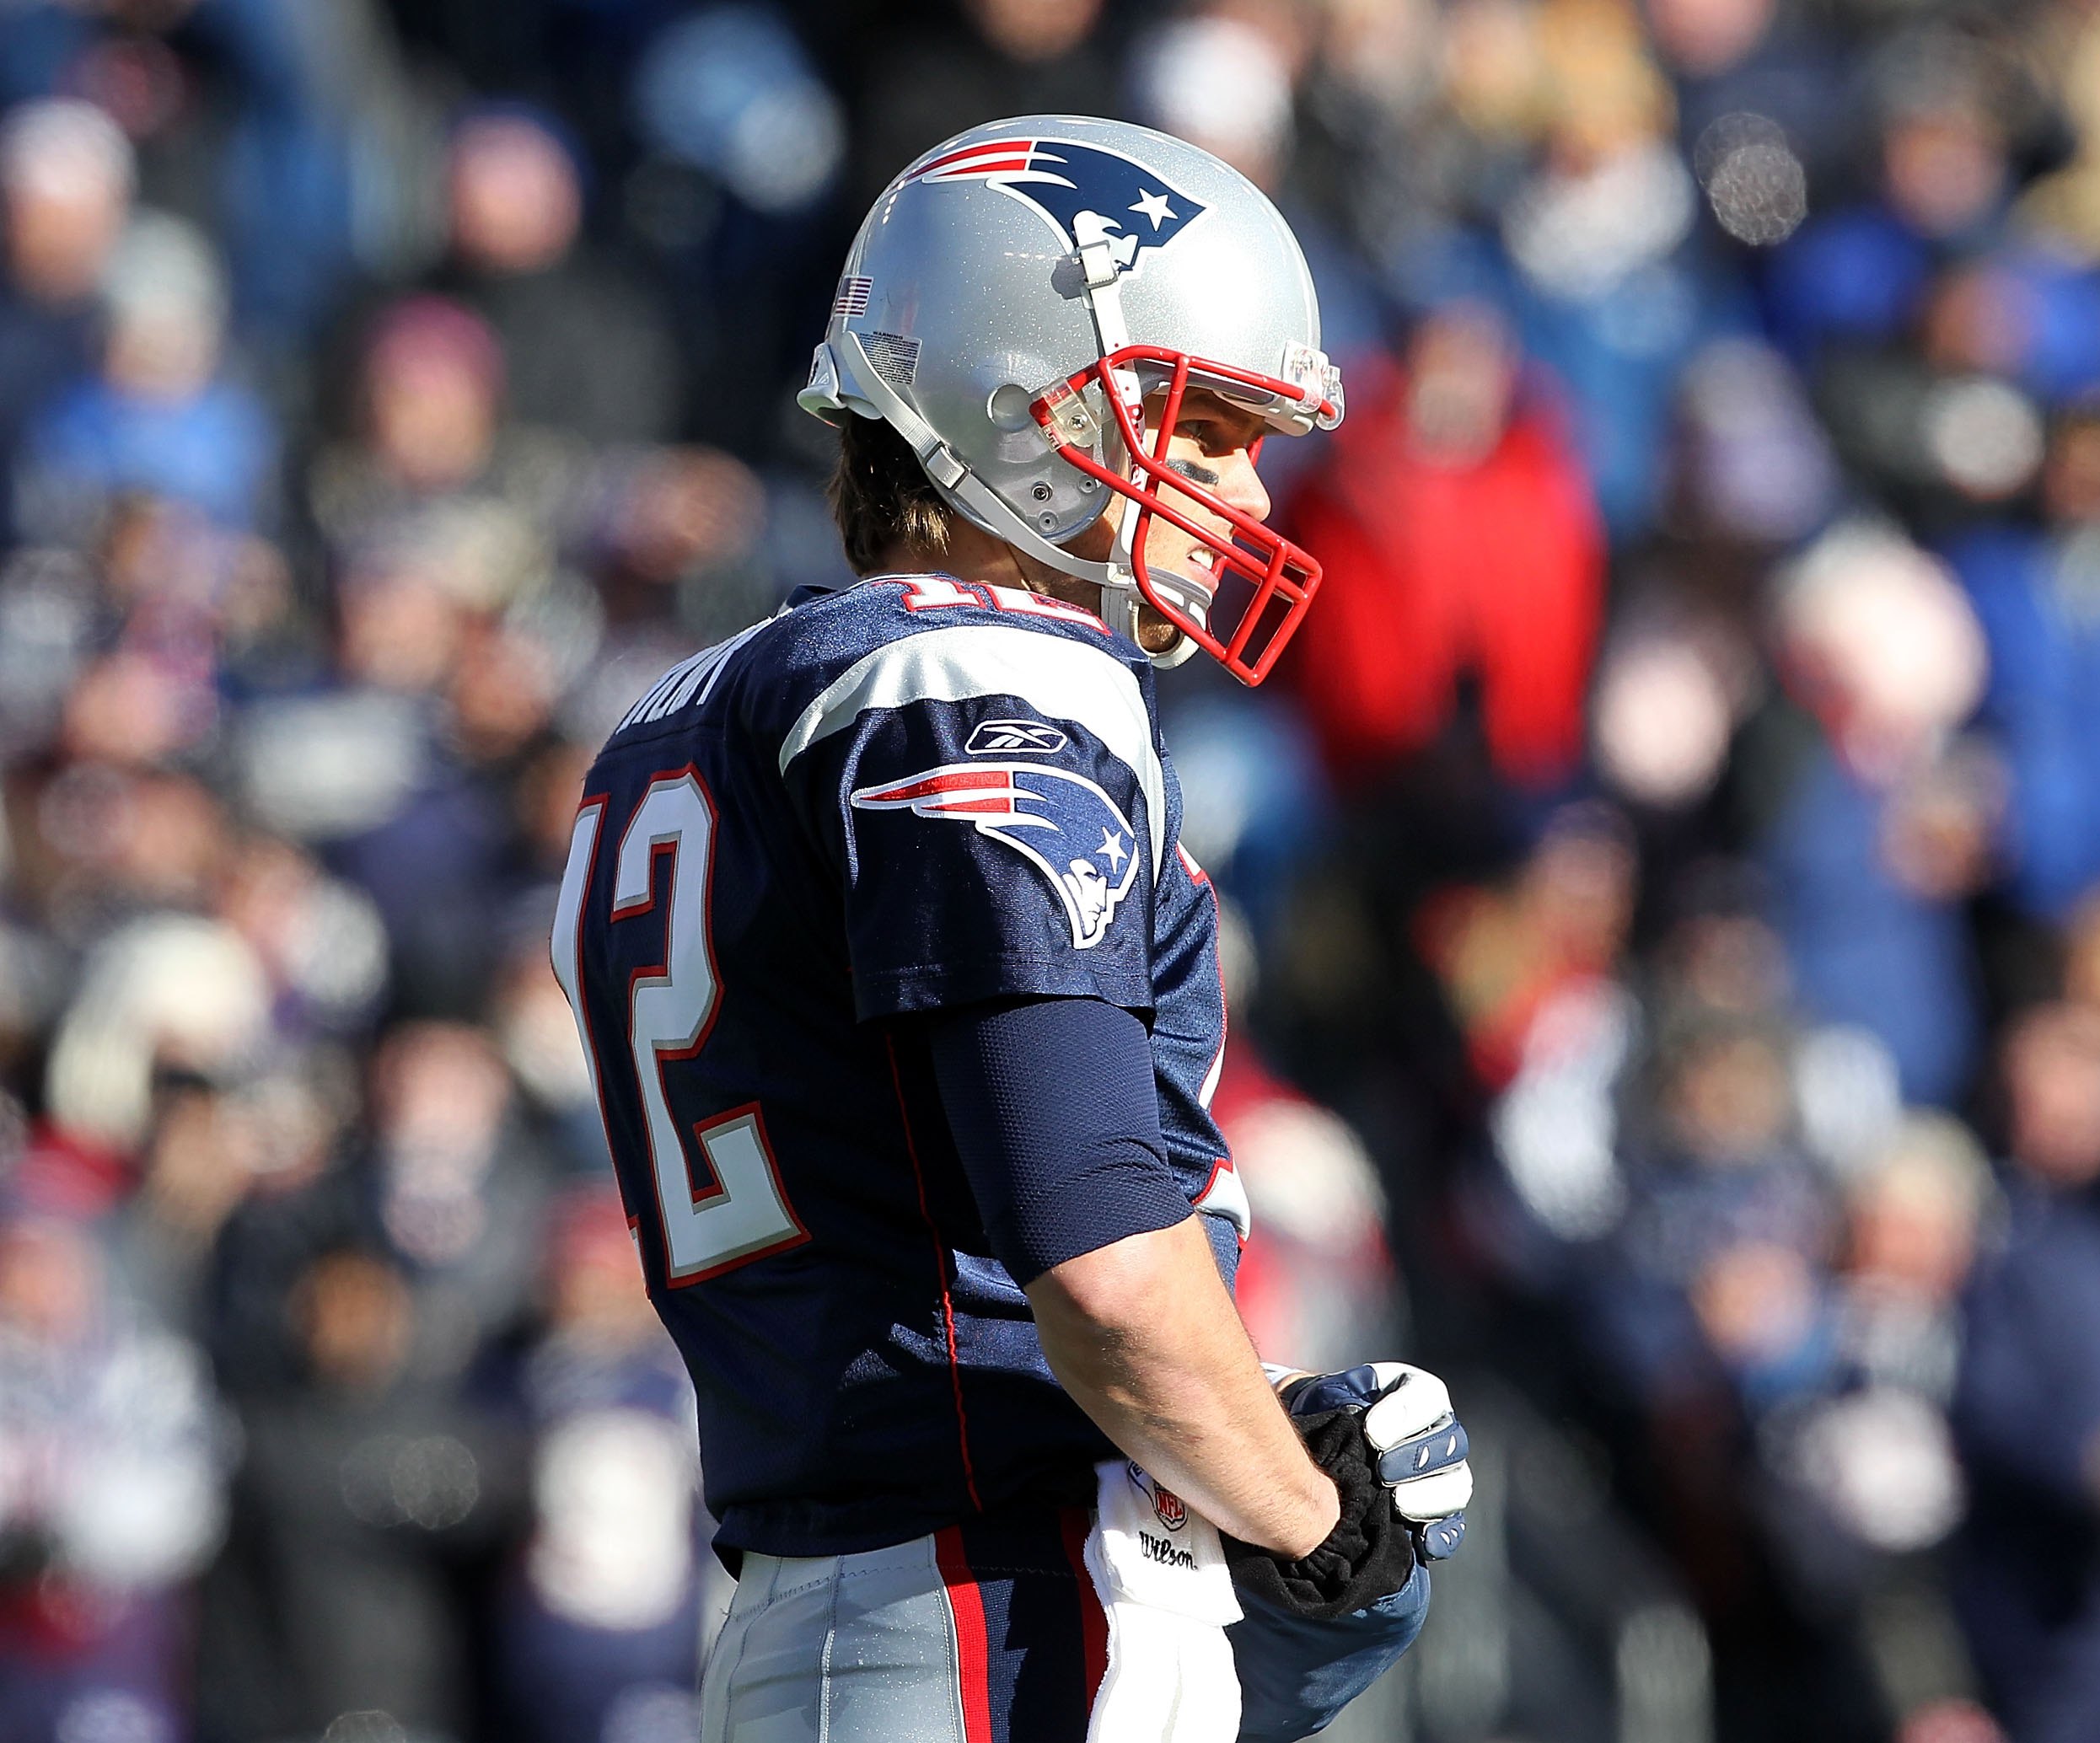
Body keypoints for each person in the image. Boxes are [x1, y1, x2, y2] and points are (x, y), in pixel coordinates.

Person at [551, 117, 1471, 1742]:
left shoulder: (686, 716)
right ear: (1022, 389)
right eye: (1206, 433)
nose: (1252, 490)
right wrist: (1321, 1526)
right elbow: (1101, 1263)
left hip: (829, 1594)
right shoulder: (983, 675)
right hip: (1003, 1618)